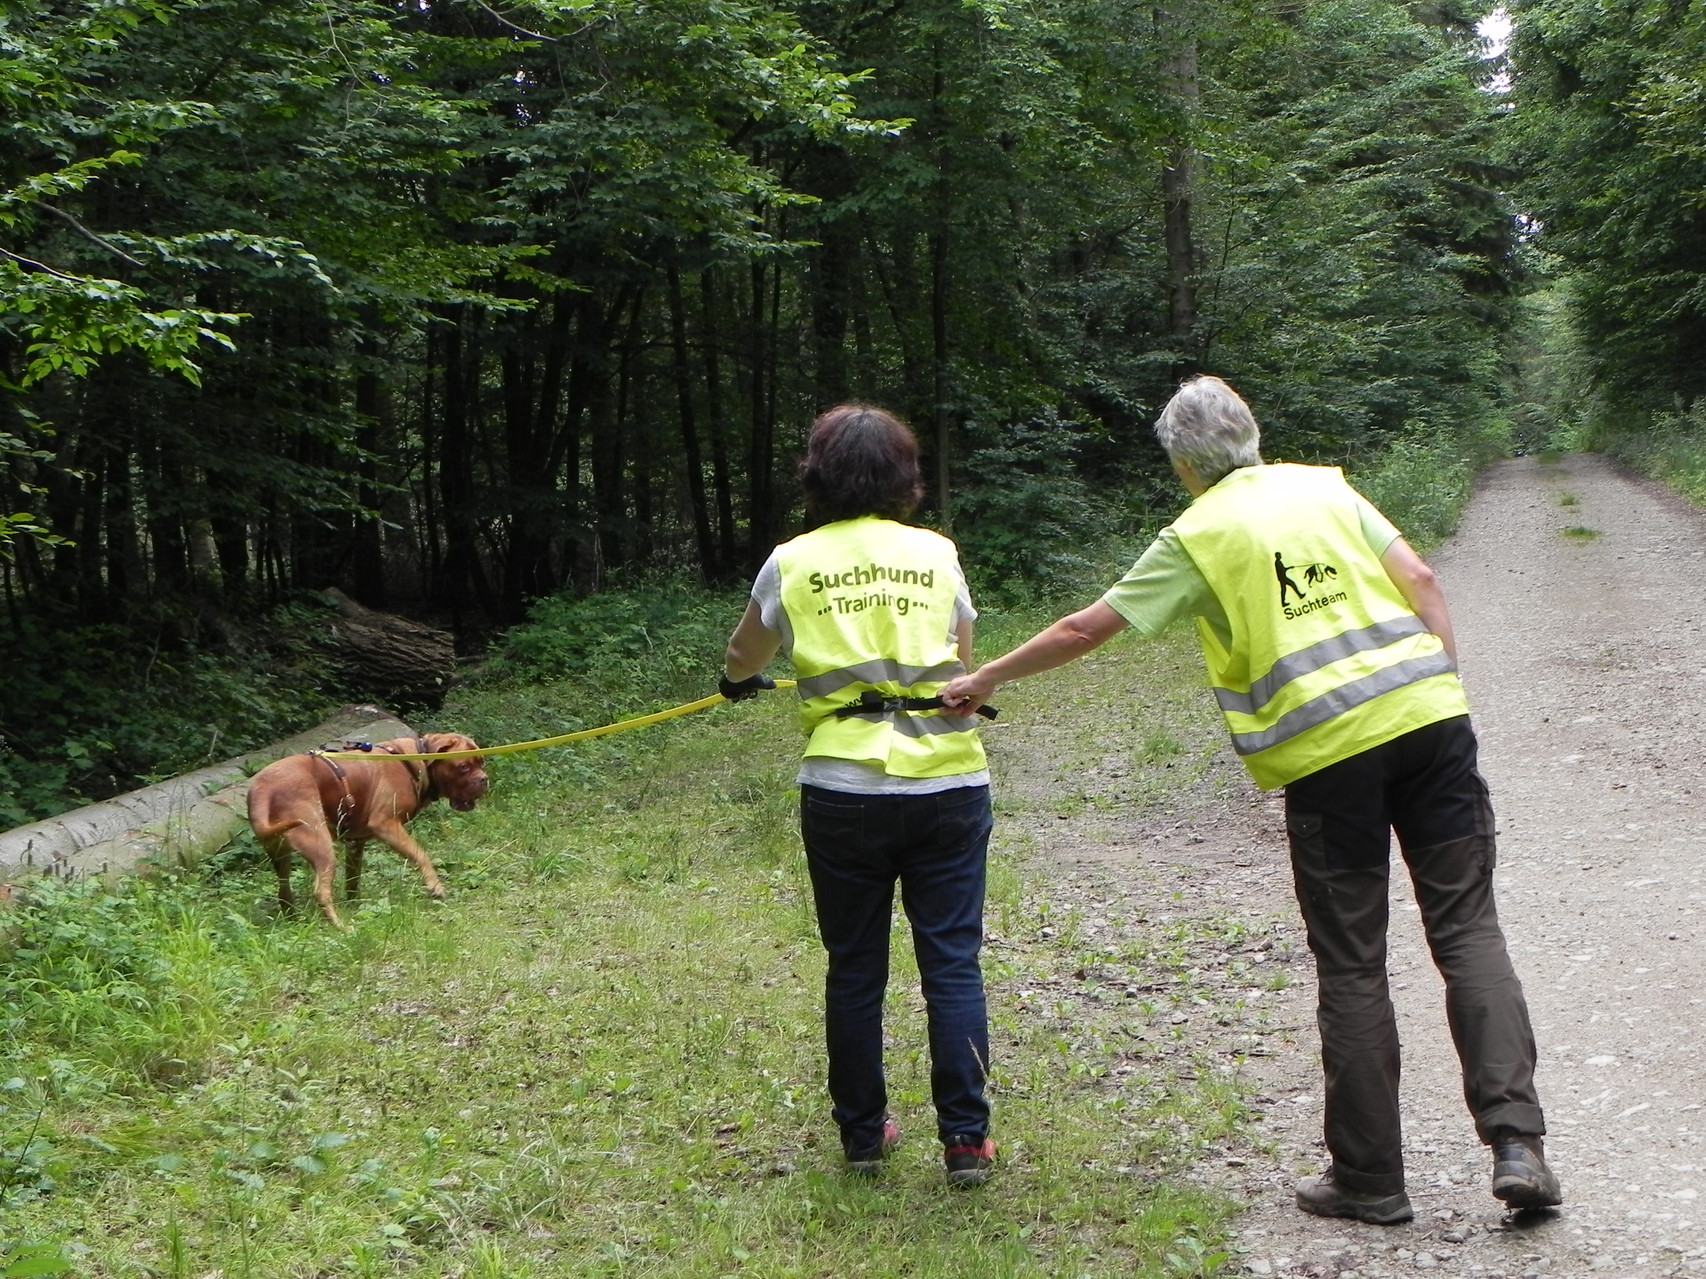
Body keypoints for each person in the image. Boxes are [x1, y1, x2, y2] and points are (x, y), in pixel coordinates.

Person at [941, 375, 1561, 1224]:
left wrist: (983, 678)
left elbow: (1089, 627)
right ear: (1252, 434)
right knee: (1467, 931)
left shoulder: (1196, 531)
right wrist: (1438, 685)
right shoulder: (1325, 485)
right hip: (1429, 725)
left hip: (1328, 760)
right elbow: (1420, 575)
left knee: (1353, 963)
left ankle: (1373, 1180)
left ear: (1184, 466)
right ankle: (1518, 1145)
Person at [721, 403, 999, 1187]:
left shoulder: (792, 560)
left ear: (818, 475)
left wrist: (736, 682)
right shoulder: (938, 554)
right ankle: (966, 1141)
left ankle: (863, 1134)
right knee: (952, 963)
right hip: (946, 780)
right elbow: (964, 673)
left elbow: (745, 655)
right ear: (905, 476)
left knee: (854, 967)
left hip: (843, 788)